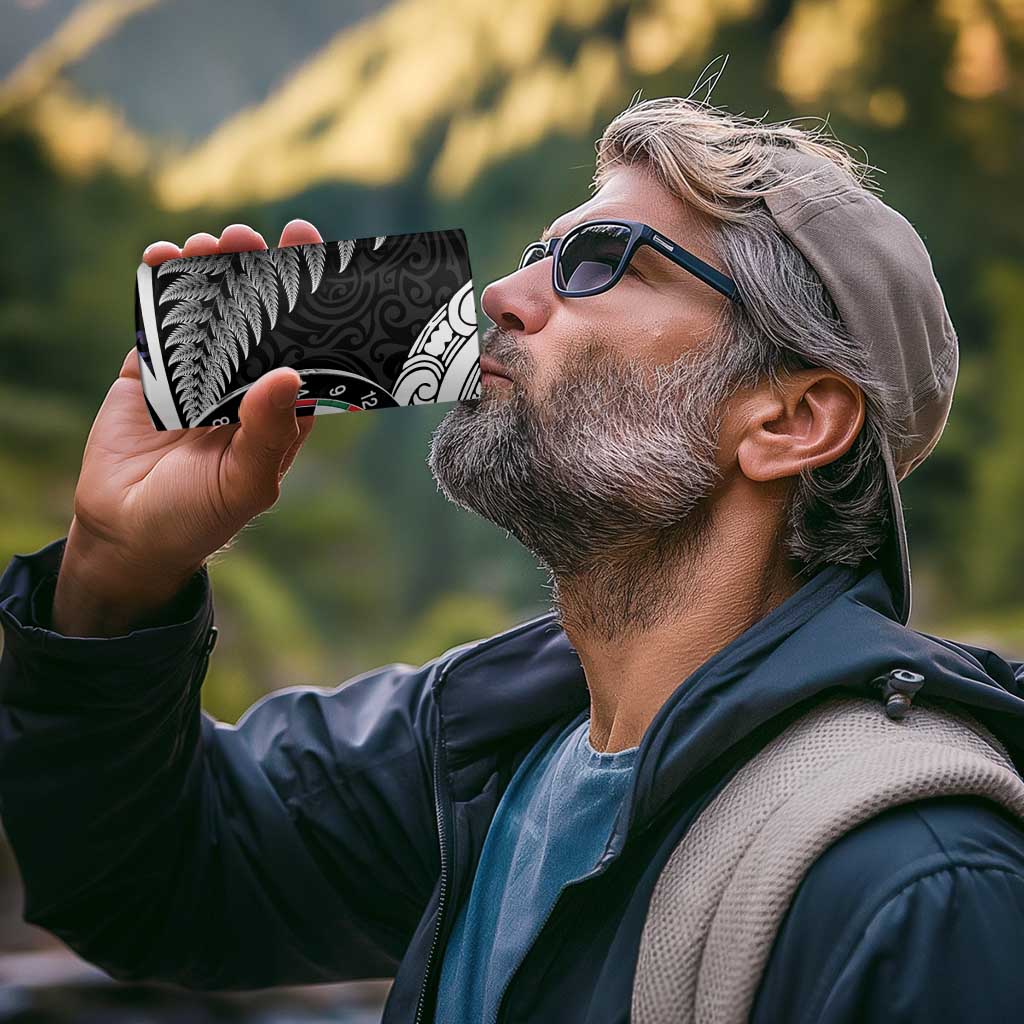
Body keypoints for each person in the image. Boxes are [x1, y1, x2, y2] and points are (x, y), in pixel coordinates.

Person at [2, 94, 1024, 1024]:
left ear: (791, 419)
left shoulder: (918, 884)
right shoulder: (481, 748)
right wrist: (116, 571)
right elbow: (149, 880)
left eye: (599, 262)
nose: (501, 293)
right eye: (539, 252)